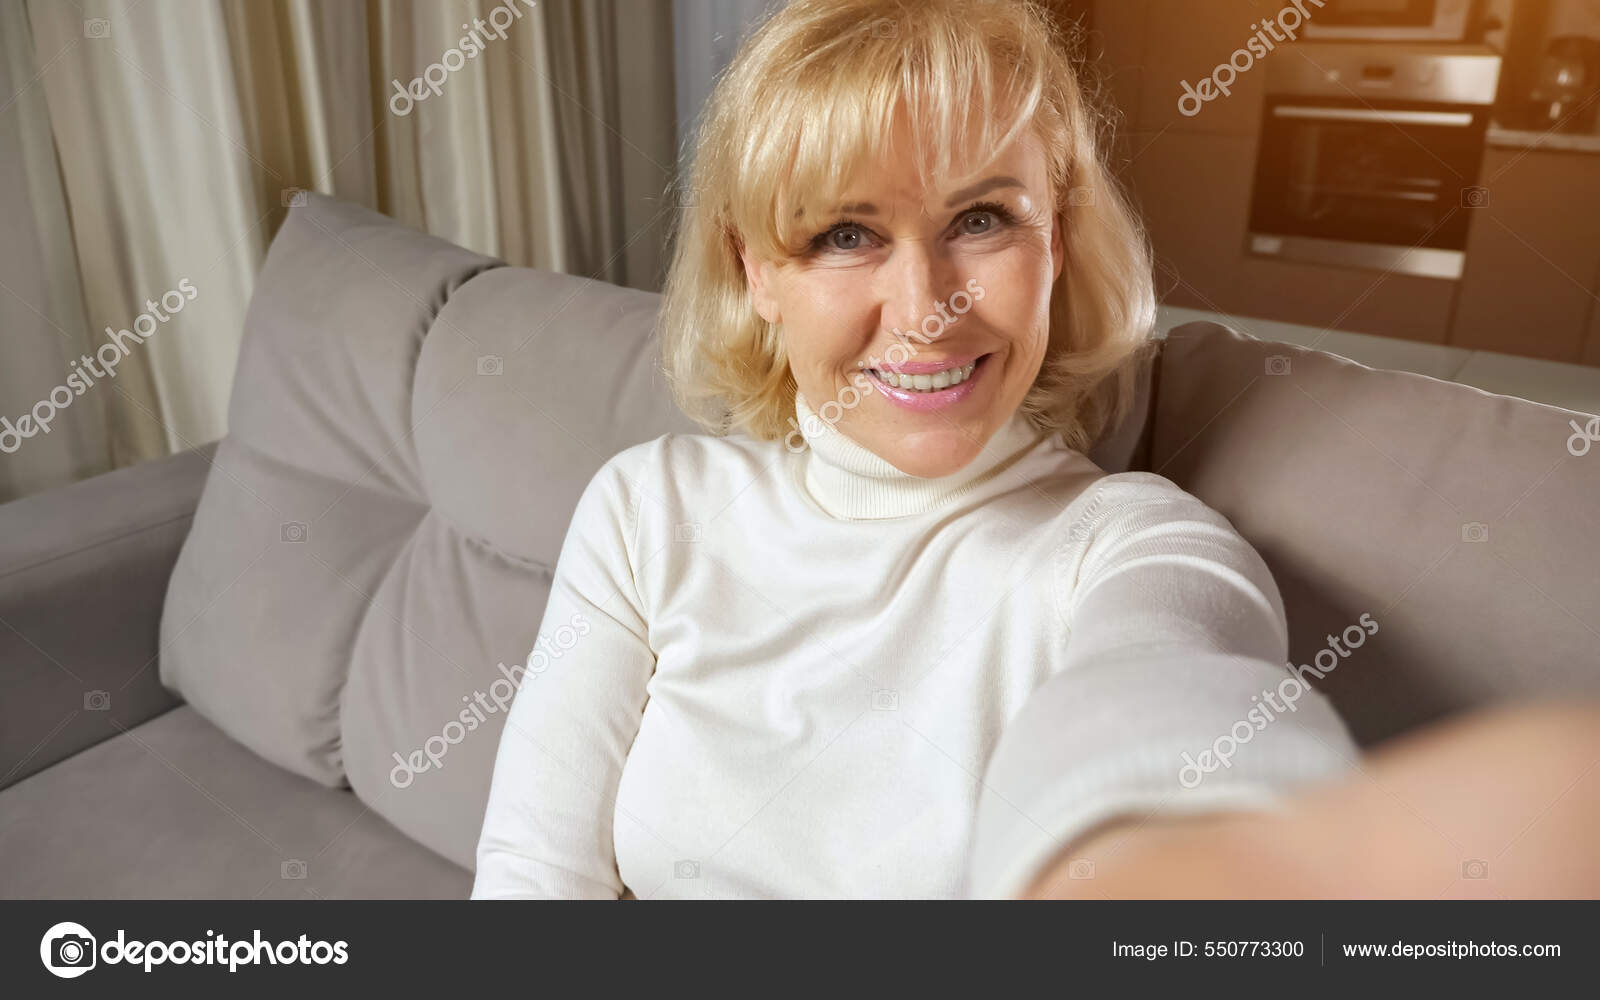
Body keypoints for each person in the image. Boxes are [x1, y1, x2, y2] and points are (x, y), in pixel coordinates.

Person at [472, 0, 1598, 899]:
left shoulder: (1130, 545)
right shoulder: (647, 510)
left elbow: (1162, 700)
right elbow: (531, 876)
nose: (924, 308)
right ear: (755, 270)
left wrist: (1199, 867)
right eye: (846, 234)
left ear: (1055, 239)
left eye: (981, 219)